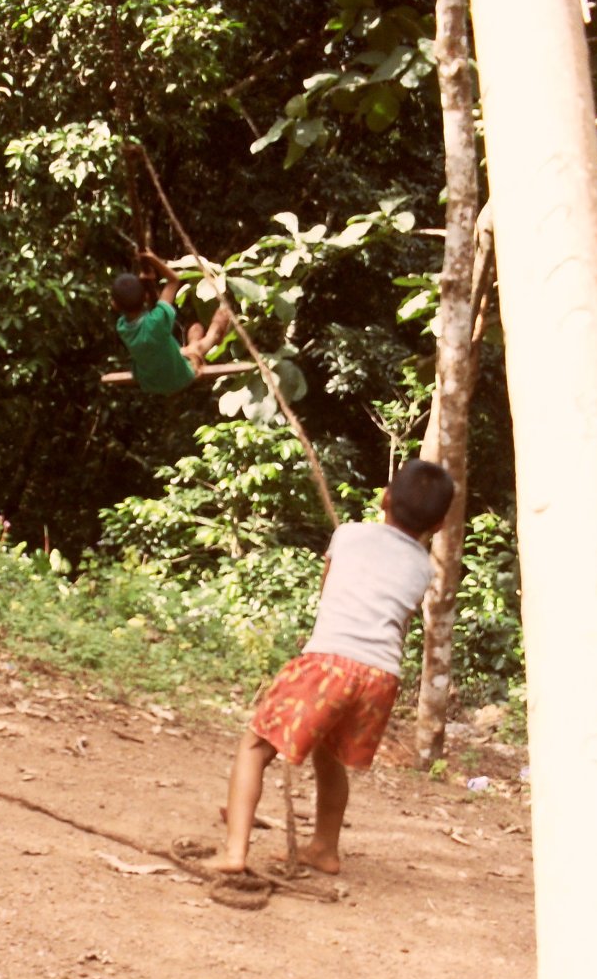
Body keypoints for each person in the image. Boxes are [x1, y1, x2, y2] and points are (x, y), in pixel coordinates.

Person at [204, 458, 455, 877]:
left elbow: (328, 592)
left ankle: (234, 853)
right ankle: (324, 848)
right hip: (380, 676)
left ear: (384, 498)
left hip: (329, 662)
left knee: (254, 747)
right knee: (330, 756)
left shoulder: (349, 535)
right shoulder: (423, 569)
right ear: (442, 524)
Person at [112, 249, 231, 395]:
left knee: (190, 341)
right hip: (179, 377)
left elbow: (140, 310)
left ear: (115, 305)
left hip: (150, 381)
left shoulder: (122, 327)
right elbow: (174, 280)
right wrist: (153, 258)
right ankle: (215, 332)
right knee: (195, 349)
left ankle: (196, 341)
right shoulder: (157, 321)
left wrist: (144, 283)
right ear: (144, 298)